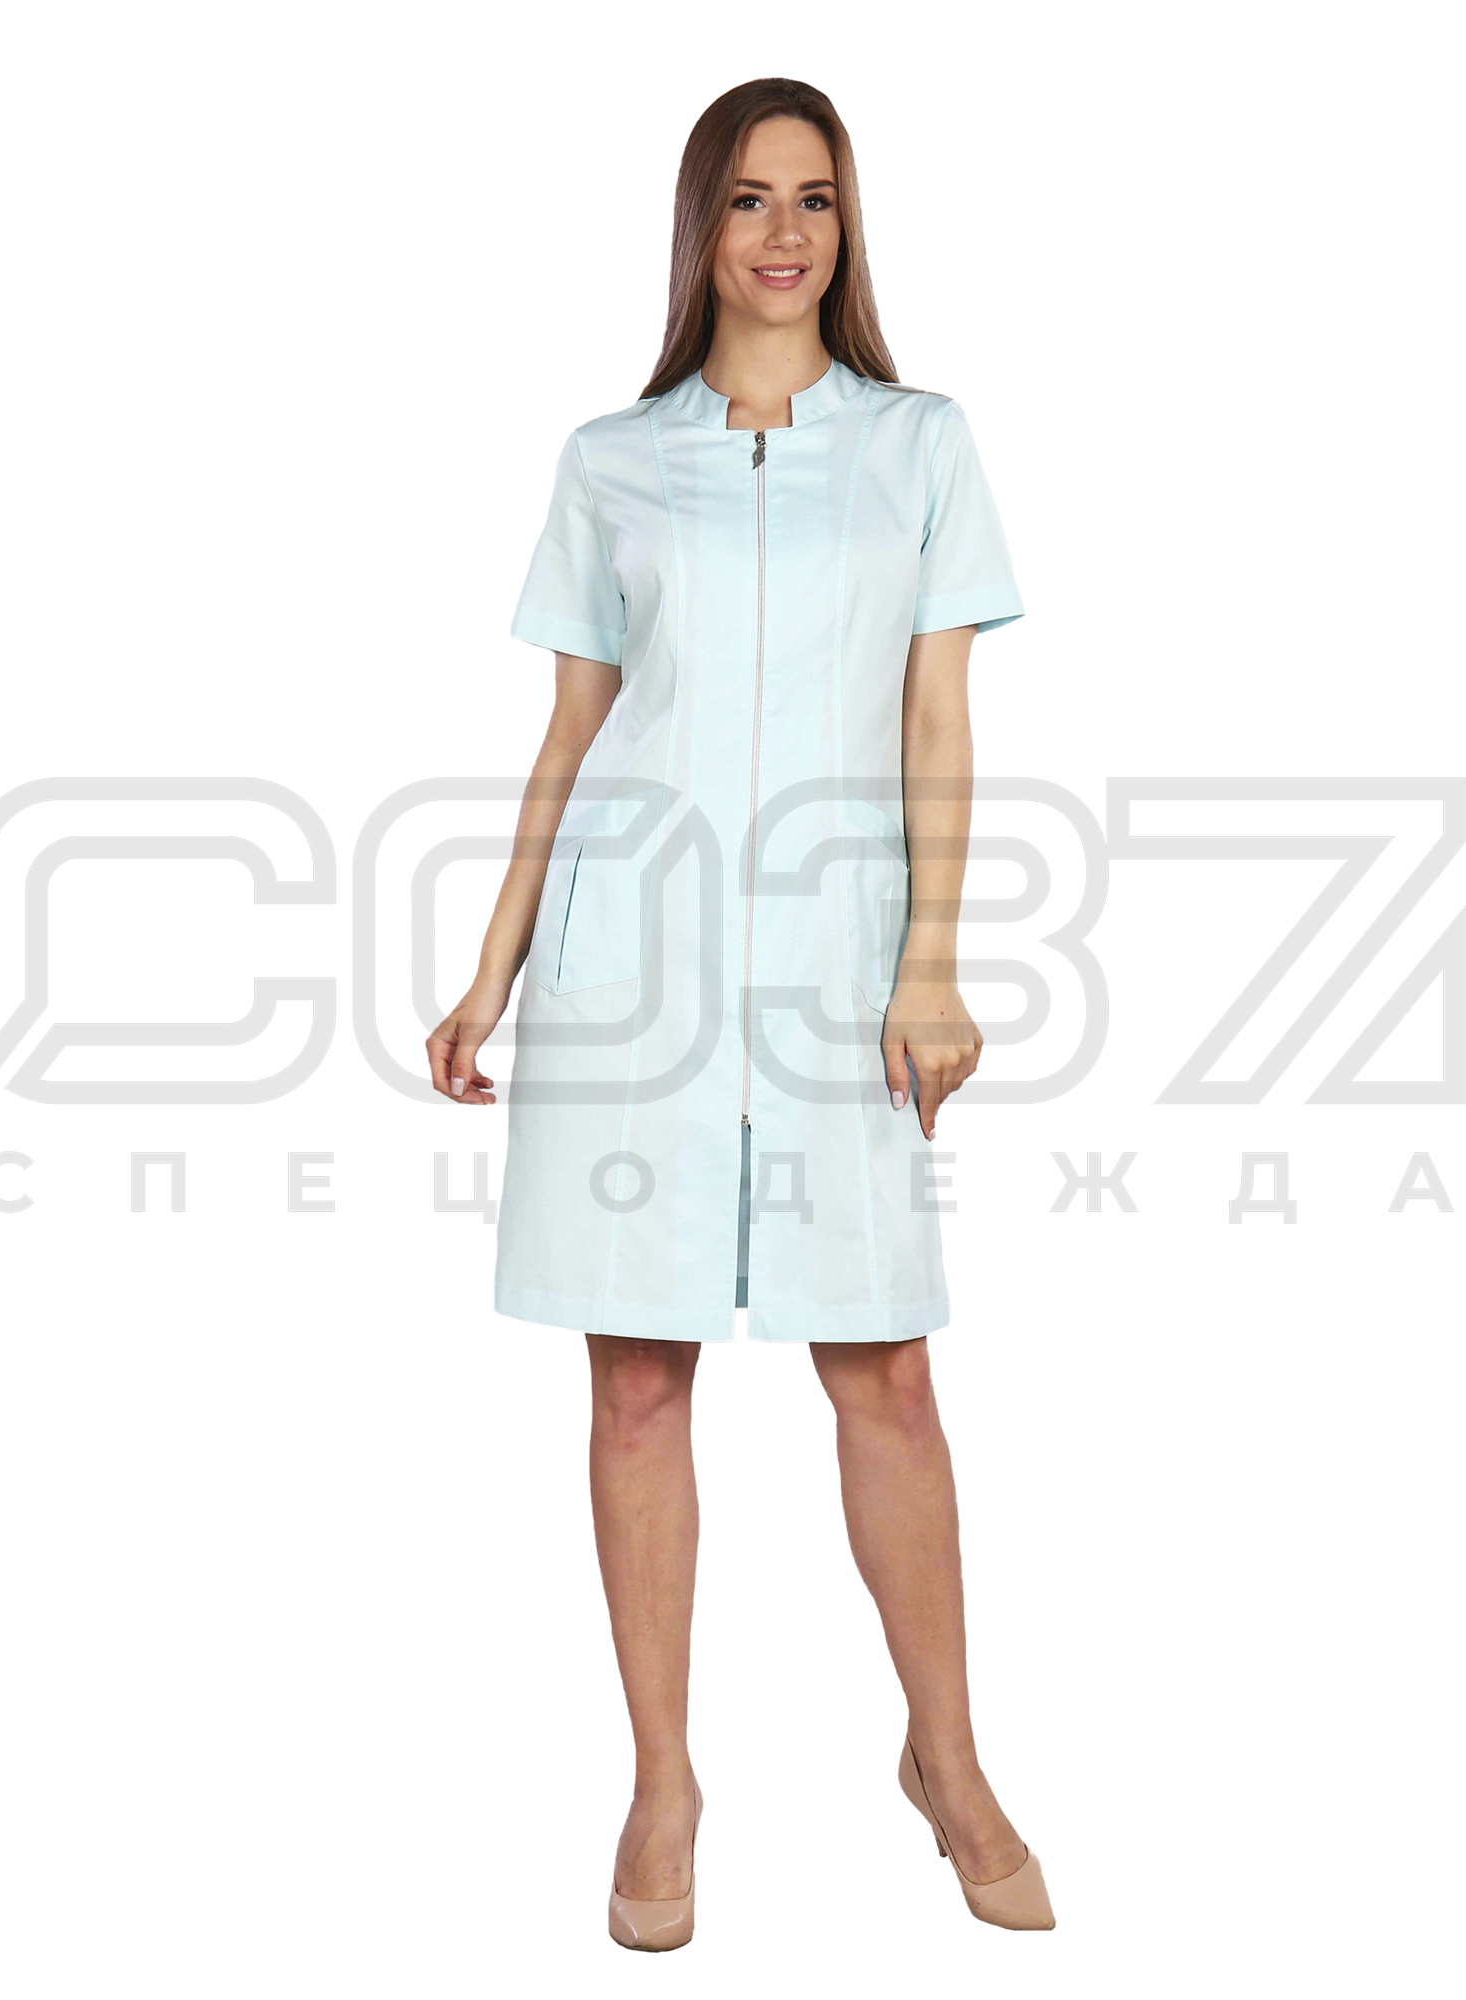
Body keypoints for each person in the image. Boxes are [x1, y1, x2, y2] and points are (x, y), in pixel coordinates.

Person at [426, 76, 1054, 1948]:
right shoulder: (612, 459)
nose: (786, 233)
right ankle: (662, 1782)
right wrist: (493, 965)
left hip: (840, 967)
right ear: (701, 226)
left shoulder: (920, 444)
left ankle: (948, 1758)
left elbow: (938, 717)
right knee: (636, 1380)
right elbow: (574, 729)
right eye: (753, 199)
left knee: (887, 1374)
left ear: (847, 231)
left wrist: (930, 960)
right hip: (632, 963)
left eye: (818, 199)